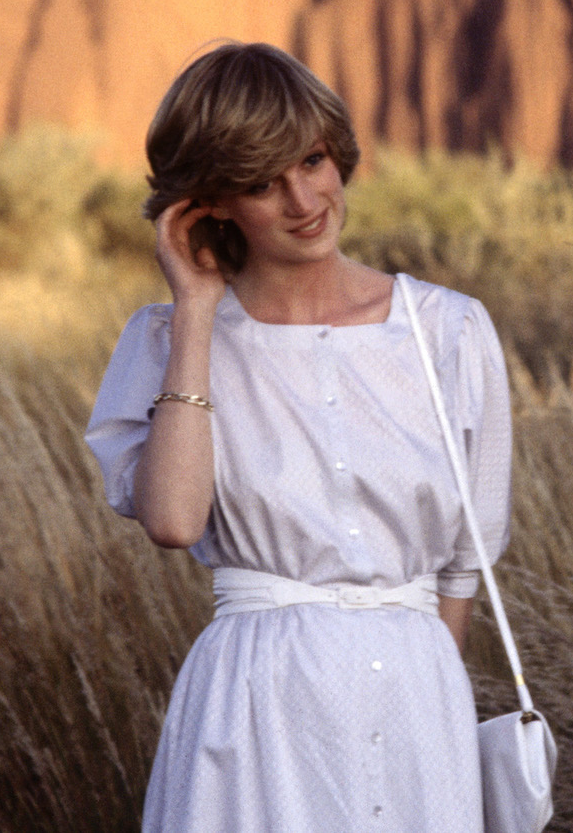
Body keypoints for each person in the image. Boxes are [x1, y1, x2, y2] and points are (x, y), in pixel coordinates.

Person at [84, 42, 512, 833]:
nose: (303, 199)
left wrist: (435, 703)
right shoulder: (167, 339)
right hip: (256, 703)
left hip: (419, 698)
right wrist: (198, 310)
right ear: (210, 201)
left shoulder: (446, 331)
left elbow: (466, 559)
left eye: (313, 161)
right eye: (258, 182)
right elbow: (173, 522)